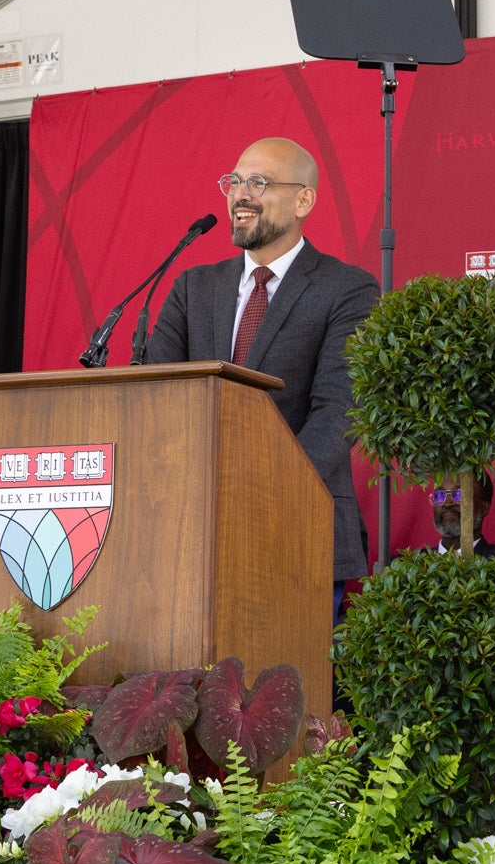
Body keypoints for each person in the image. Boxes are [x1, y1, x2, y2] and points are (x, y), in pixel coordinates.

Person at [148, 137, 380, 613]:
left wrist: (260, 493)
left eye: (258, 182)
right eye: (233, 182)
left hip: (296, 525)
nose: (240, 194)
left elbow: (338, 412)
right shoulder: (194, 288)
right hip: (190, 532)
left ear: (303, 200)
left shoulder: (347, 289)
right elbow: (158, 396)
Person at [431, 472, 495, 563]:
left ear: (484, 507)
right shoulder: (416, 562)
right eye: (439, 496)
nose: (447, 504)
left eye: (460, 494)